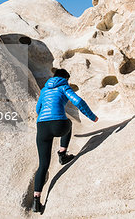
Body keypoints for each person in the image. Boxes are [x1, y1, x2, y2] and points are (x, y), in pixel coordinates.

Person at [32, 68, 98, 213]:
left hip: (42, 126)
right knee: (69, 123)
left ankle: (36, 200)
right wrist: (92, 117)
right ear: (66, 78)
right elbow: (78, 101)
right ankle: (62, 154)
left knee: (43, 165)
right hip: (59, 124)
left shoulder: (44, 90)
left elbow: (38, 109)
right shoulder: (64, 86)